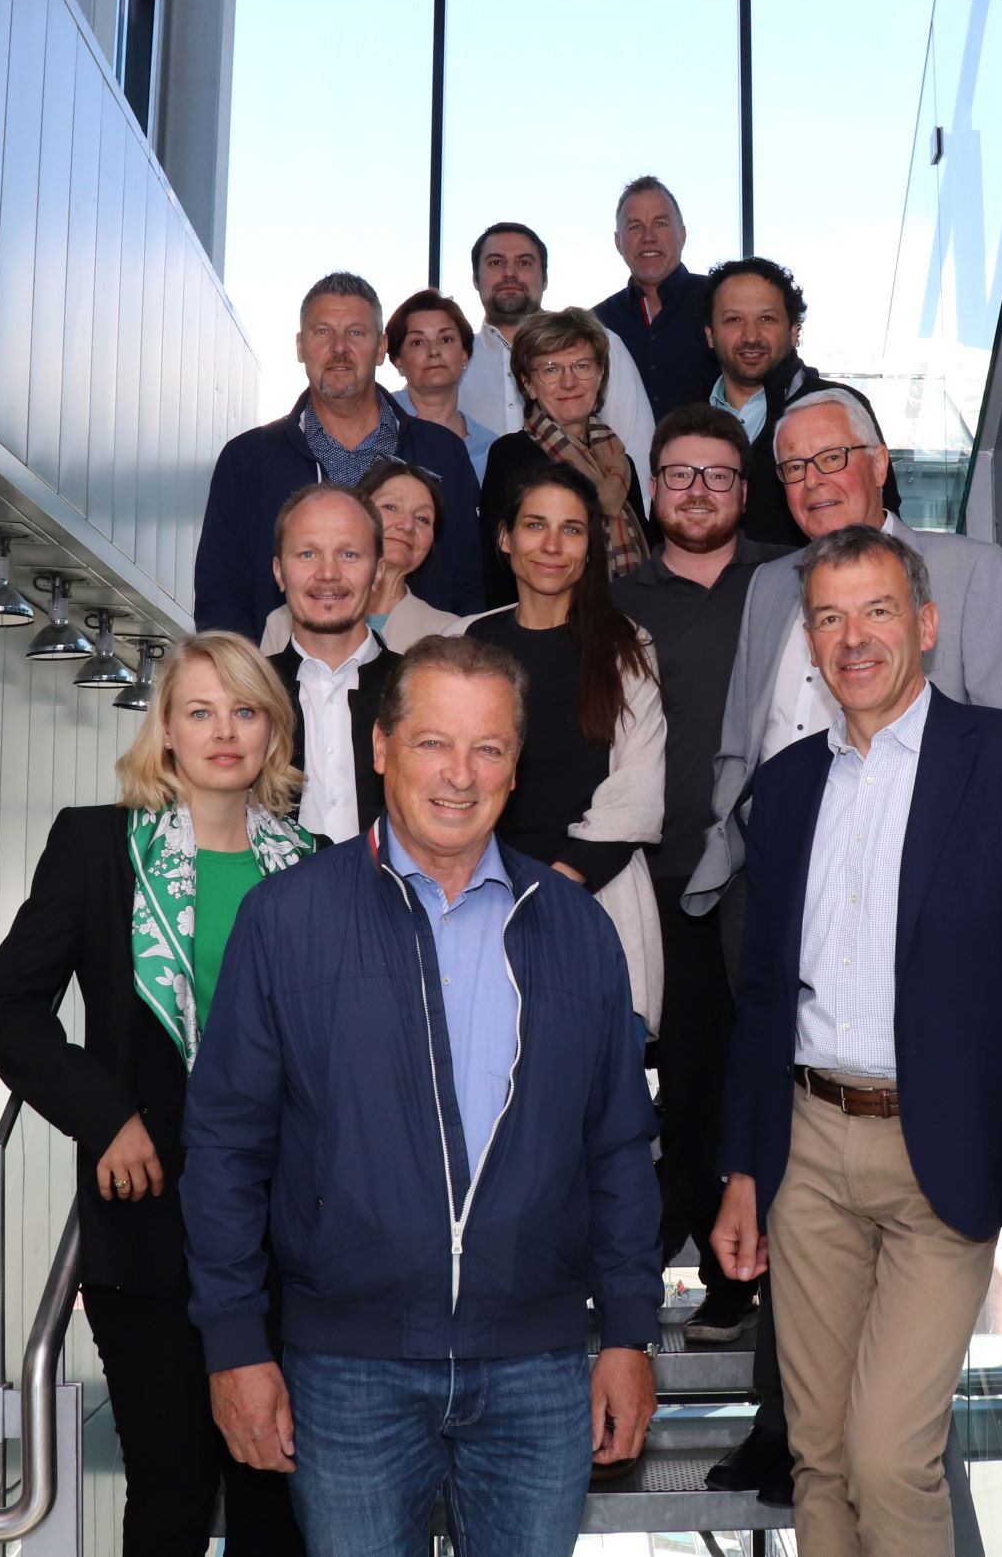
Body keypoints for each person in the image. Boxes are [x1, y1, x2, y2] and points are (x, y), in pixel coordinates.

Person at [180, 636, 663, 1557]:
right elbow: (228, 1148)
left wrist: (630, 1333)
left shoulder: (577, 932)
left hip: (538, 1367)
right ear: (380, 747)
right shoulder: (288, 919)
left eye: (488, 747)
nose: (459, 773)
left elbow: (617, 1148)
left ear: (515, 765)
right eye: (433, 742)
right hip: (348, 1369)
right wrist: (236, 1344)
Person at [690, 384, 1002, 1507]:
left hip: (935, 1068)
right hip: (796, 1022)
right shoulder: (770, 619)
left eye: (831, 458)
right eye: (790, 469)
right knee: (823, 1455)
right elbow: (749, 741)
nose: (813, 481)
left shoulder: (972, 602)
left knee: (890, 1455)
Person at [0, 632, 317, 1557]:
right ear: (164, 729)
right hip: (148, 1223)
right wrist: (107, 1115)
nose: (224, 730)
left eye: (246, 710)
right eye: (200, 710)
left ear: (274, 731)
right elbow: (5, 1010)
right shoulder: (96, 846)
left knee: (278, 1505)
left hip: (293, 1236)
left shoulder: (319, 866)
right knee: (169, 1498)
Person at [610, 405, 788, 1344]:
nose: (697, 491)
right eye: (678, 474)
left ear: (744, 489)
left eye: (717, 475)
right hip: (658, 880)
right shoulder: (618, 602)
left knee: (760, 1087)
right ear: (652, 488)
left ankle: (742, 1285)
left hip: (771, 883)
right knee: (684, 1092)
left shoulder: (788, 585)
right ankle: (680, 1278)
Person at [465, 460, 667, 1033]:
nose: (552, 545)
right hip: (475, 907)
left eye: (572, 529)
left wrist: (547, 889)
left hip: (593, 903)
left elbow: (636, 794)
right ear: (505, 537)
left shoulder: (627, 646)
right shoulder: (464, 641)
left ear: (590, 547)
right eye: (534, 525)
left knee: (597, 1110)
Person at [195, 272, 484, 637]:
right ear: (300, 346)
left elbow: (472, 586)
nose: (339, 348)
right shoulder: (248, 460)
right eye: (323, 332)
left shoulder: (441, 453)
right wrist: (246, 689)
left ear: (381, 348)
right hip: (281, 688)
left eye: (356, 333)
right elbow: (221, 597)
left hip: (417, 682)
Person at [698, 258, 894, 544]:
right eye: (733, 320)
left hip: (812, 583)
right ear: (709, 335)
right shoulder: (686, 418)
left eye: (766, 319)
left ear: (794, 331)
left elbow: (884, 516)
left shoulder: (838, 409)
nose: (751, 336)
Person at [458, 221, 655, 492]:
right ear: (475, 278)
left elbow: (639, 449)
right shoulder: (456, 363)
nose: (510, 273)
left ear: (546, 278)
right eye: (495, 262)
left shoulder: (602, 345)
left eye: (525, 263)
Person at [477, 308, 655, 606]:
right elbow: (497, 565)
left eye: (582, 366)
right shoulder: (511, 456)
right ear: (528, 384)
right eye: (550, 369)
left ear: (600, 375)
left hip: (628, 619)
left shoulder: (620, 461)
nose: (569, 382)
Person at [258, 484, 397, 845]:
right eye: (307, 554)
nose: (328, 574)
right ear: (279, 571)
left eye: (349, 554)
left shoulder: (420, 689)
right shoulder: (245, 690)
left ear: (378, 571)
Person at [594, 177, 715, 418]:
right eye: (635, 227)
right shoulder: (597, 323)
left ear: (682, 234)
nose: (648, 237)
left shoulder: (721, 301)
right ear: (618, 242)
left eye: (660, 224)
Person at [384, 288, 502, 486]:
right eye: (418, 342)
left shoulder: (490, 448)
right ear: (398, 361)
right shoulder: (376, 420)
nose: (434, 351)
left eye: (446, 339)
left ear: (465, 354)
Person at [356, 458, 464, 651]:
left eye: (422, 518)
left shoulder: (449, 633)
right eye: (390, 507)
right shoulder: (296, 619)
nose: (407, 525)